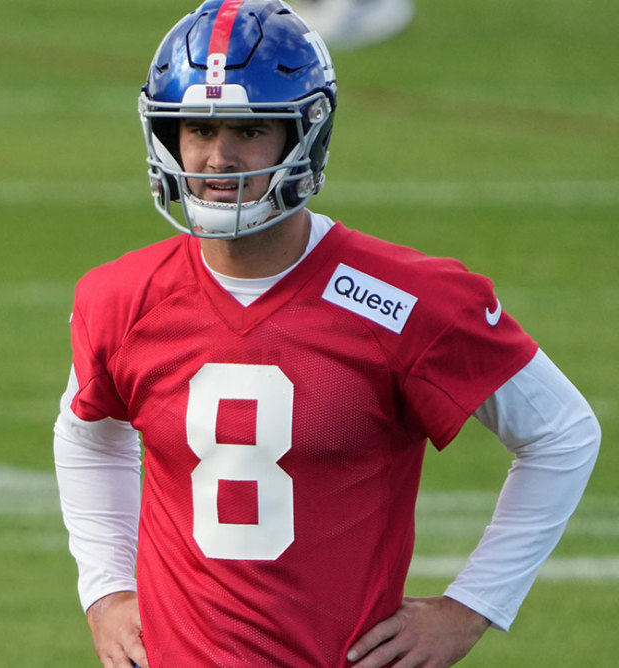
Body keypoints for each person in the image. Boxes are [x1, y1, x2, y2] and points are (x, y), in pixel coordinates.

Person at [52, 2, 600, 667]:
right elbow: (86, 431)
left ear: (304, 134)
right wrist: (107, 589)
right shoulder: (121, 296)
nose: (217, 159)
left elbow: (562, 433)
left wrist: (472, 607)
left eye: (249, 130)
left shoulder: (409, 301)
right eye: (196, 128)